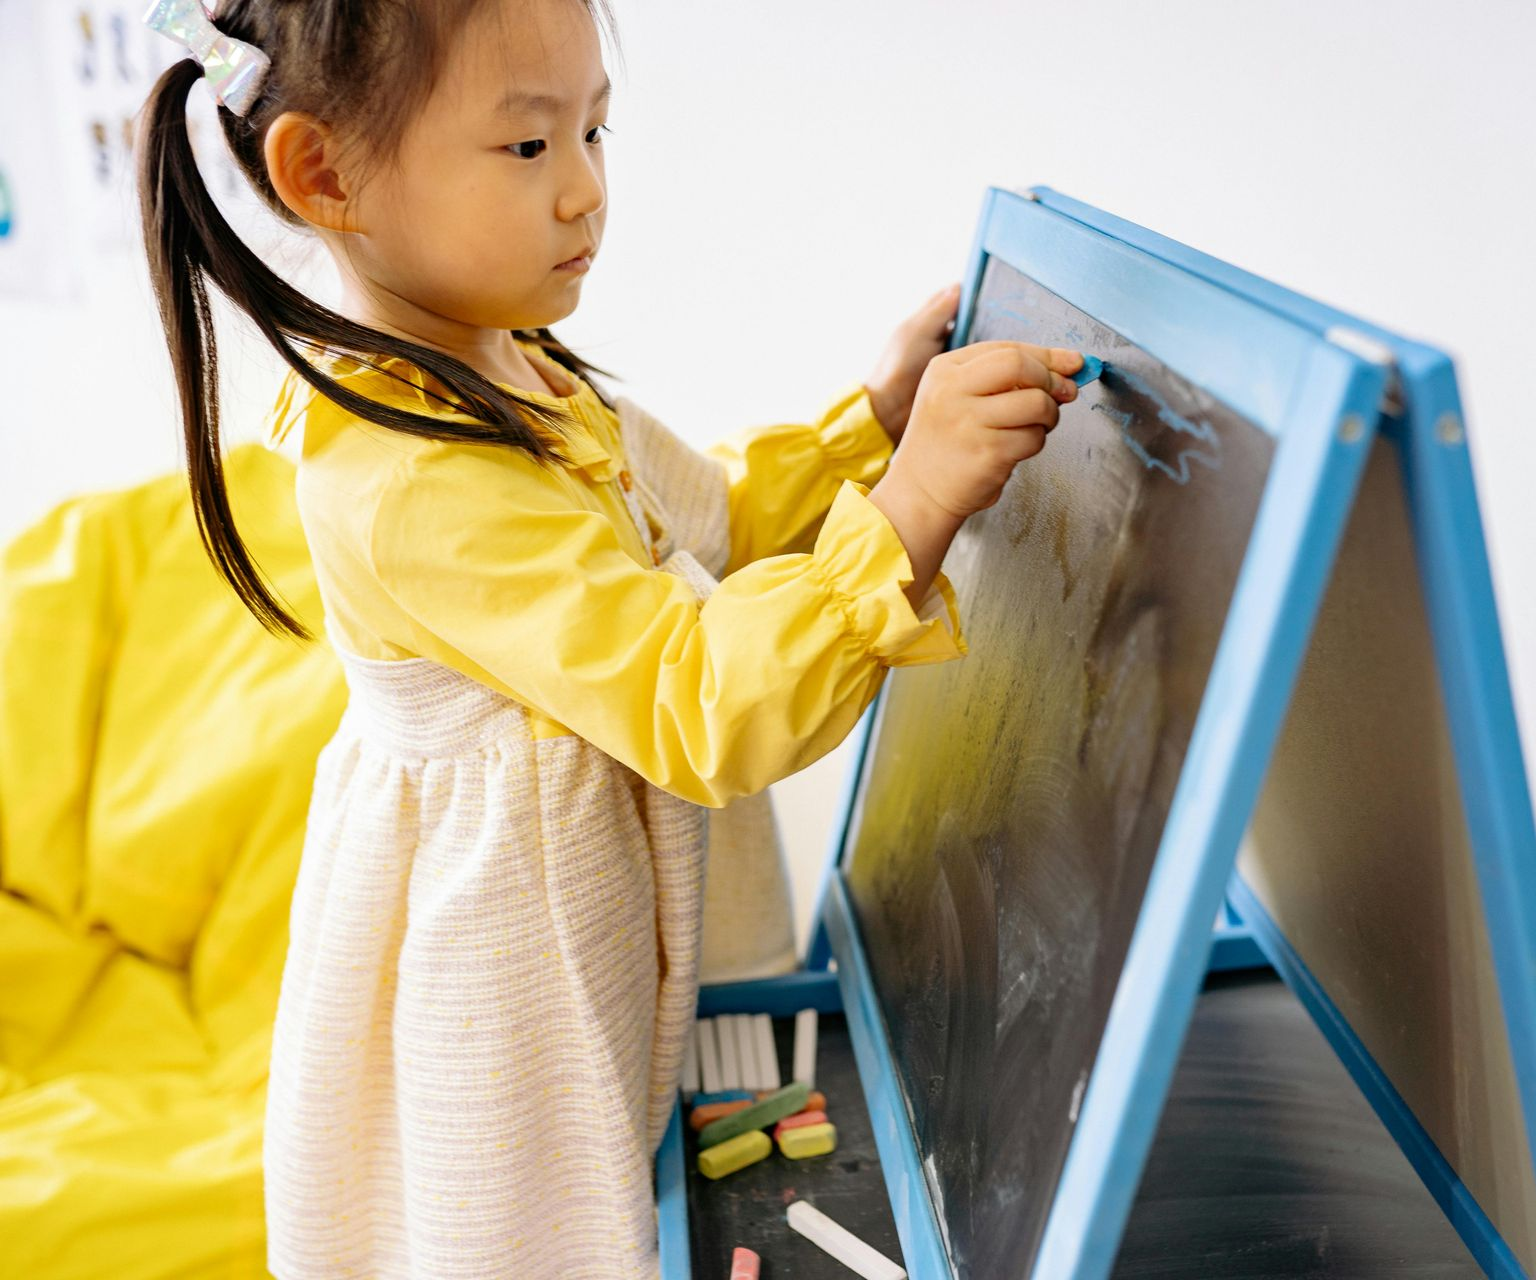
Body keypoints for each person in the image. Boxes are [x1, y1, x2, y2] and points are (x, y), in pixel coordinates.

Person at [134, 0, 1082, 1273]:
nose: (586, 190)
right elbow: (697, 698)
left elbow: (715, 524)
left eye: (595, 129)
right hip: (500, 995)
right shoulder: (409, 475)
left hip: (587, 951)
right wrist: (914, 504)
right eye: (528, 148)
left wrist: (875, 424)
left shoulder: (514, 362)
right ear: (328, 174)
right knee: (532, 1237)